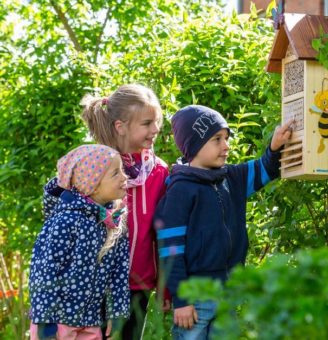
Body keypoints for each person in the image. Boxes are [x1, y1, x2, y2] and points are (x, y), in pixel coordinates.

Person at [153, 105, 293, 339]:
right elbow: (171, 250)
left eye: (226, 138)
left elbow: (264, 169)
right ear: (194, 146)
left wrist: (274, 147)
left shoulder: (231, 178)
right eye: (217, 139)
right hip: (195, 296)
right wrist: (182, 300)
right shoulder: (180, 190)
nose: (226, 146)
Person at [80, 84, 170, 340]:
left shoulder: (159, 172)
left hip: (137, 285)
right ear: (120, 126)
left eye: (157, 121)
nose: (155, 129)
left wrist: (165, 287)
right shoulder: (95, 167)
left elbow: (162, 232)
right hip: (95, 284)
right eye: (147, 123)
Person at [29, 144, 130, 340]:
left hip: (90, 322)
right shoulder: (65, 221)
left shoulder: (114, 222)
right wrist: (45, 323)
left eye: (123, 171)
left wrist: (116, 313)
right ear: (92, 183)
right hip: (57, 323)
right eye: (115, 173)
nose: (124, 177)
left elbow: (119, 272)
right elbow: (44, 272)